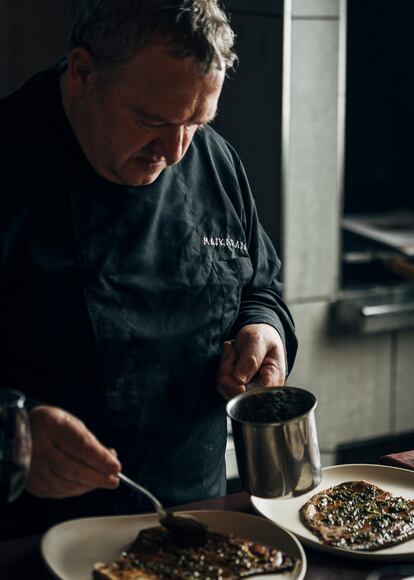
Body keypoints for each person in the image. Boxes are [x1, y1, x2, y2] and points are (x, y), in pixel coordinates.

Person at [0, 0, 297, 538]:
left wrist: (264, 329)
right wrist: (8, 435)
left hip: (195, 524)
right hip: (30, 541)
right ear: (83, 73)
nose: (176, 150)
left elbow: (260, 286)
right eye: (153, 121)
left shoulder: (214, 161)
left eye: (197, 122)